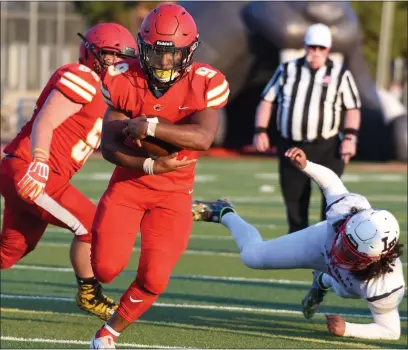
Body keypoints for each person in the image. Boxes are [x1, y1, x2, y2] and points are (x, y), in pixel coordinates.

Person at [89, 4, 230, 348]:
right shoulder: (123, 78)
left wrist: (149, 126)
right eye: (155, 53)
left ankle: (109, 332)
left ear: (189, 51)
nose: (164, 63)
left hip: (173, 195)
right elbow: (108, 146)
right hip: (128, 186)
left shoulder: (205, 82)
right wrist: (152, 164)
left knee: (154, 278)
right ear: (141, 47)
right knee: (105, 269)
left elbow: (203, 138)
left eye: (173, 55)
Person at [0, 23, 138, 321]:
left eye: (122, 57)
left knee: (10, 252)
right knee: (90, 225)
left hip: (33, 172)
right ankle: (89, 293)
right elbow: (46, 120)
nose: (117, 64)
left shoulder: (109, 93)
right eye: (111, 56)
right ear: (92, 54)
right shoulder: (82, 77)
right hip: (31, 168)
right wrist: (39, 160)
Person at [192, 147, 405, 340]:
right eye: (345, 242)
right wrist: (307, 166)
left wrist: (348, 329)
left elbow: (390, 331)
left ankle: (324, 280)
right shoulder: (347, 210)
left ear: (378, 258)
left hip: (352, 277)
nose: (341, 253)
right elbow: (331, 182)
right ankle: (224, 212)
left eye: (351, 254)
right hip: (321, 243)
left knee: (346, 289)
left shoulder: (386, 284)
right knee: (253, 257)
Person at [253, 23, 362, 233]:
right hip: (291, 145)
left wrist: (350, 138)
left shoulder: (340, 74)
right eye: (313, 47)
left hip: (327, 146)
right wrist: (260, 130)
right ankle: (298, 241)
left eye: (321, 48)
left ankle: (328, 244)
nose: (316, 53)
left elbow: (353, 108)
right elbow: (267, 100)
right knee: (294, 199)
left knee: (332, 199)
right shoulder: (287, 70)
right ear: (305, 46)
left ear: (328, 49)